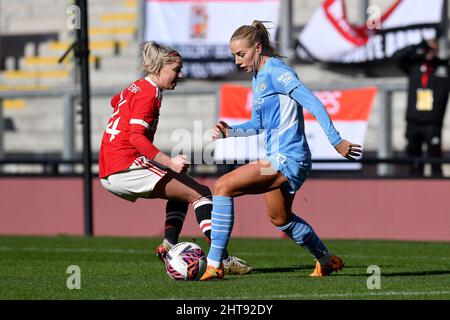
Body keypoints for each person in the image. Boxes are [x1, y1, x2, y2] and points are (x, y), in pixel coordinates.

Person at [200, 21, 362, 281]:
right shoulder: (258, 78)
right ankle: (325, 260)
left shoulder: (277, 71)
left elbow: (312, 101)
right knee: (280, 218)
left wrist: (336, 140)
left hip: (288, 157)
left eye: (241, 54)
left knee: (222, 186)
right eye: (233, 56)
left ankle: (214, 264)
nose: (237, 61)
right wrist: (229, 132)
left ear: (257, 47)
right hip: (274, 158)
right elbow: (258, 124)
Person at [98, 41, 252, 275]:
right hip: (126, 164)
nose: (179, 75)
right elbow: (136, 138)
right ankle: (222, 259)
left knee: (182, 189)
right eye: (176, 70)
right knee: (201, 194)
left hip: (109, 169)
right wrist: (169, 161)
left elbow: (115, 101)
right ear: (159, 68)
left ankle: (169, 245)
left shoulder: (137, 87)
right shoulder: (149, 94)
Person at [399, 39, 449, 177]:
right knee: (414, 161)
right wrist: (419, 46)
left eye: (432, 50)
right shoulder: (414, 66)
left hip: (432, 124)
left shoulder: (443, 67)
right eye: (427, 50)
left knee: (435, 161)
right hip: (413, 122)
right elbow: (399, 57)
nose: (429, 53)